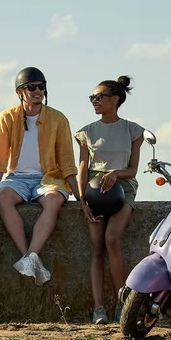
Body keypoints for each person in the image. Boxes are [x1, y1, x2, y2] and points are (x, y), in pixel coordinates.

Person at [0, 67, 80, 286]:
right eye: (31, 87)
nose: (38, 91)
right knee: (3, 199)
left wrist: (80, 194)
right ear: (20, 91)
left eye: (41, 87)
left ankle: (30, 256)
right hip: (16, 178)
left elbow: (67, 161)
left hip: (49, 178)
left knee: (55, 200)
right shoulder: (7, 117)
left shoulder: (58, 118)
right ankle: (28, 256)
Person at [75, 76, 144, 325]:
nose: (94, 101)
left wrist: (115, 173)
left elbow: (133, 169)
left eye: (98, 97)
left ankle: (122, 304)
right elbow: (83, 166)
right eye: (91, 97)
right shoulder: (87, 132)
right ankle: (98, 308)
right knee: (96, 248)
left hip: (123, 186)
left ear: (114, 100)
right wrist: (82, 200)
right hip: (95, 189)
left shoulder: (133, 130)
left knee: (112, 239)